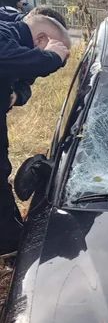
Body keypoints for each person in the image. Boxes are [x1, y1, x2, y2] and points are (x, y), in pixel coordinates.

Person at [0, 15, 71, 255]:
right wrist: (50, 57)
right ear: (40, 38)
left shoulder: (14, 45)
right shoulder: (3, 34)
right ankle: (8, 242)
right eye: (49, 46)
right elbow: (17, 60)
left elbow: (24, 77)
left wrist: (16, 94)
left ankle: (8, 238)